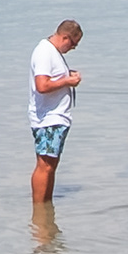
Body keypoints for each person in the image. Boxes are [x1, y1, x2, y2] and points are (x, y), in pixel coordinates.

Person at [29, 19, 84, 204]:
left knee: (50, 166)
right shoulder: (45, 52)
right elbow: (42, 85)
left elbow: (52, 77)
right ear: (65, 37)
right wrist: (67, 81)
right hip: (48, 119)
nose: (73, 48)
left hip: (56, 118)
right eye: (74, 44)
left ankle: (46, 208)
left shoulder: (53, 53)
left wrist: (67, 75)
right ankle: (38, 208)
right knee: (45, 166)